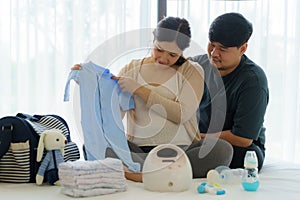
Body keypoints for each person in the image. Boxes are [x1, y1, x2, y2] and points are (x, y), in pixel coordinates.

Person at [72, 16, 233, 182]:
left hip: (181, 152)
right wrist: (90, 84)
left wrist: (140, 90)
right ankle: (164, 174)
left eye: (172, 55)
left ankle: (138, 174)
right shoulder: (132, 69)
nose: (163, 58)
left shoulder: (192, 71)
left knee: (222, 150)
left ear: (182, 52)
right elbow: (113, 115)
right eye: (159, 50)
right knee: (95, 147)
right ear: (153, 40)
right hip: (140, 151)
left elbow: (181, 114)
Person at [192, 12, 269, 172]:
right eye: (211, 45)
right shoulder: (198, 65)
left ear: (243, 48)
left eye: (223, 49)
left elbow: (243, 139)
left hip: (238, 147)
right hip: (198, 140)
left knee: (228, 152)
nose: (214, 54)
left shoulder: (253, 80)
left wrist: (198, 137)